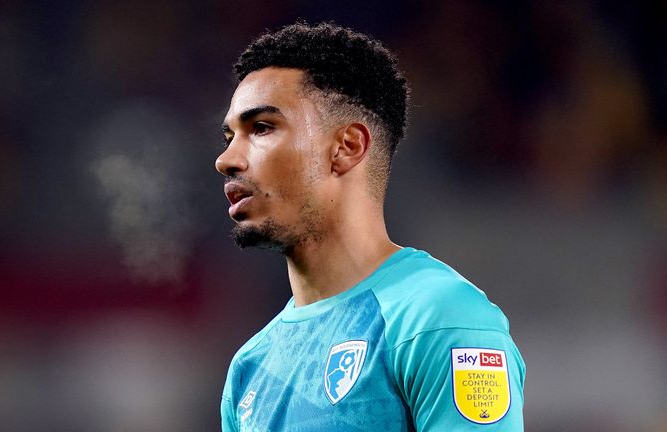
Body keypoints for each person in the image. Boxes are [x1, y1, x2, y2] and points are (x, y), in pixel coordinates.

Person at [215, 22, 525, 431]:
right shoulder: (250, 369)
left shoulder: (438, 320)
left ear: (347, 148)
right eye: (229, 136)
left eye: (262, 128)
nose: (227, 160)